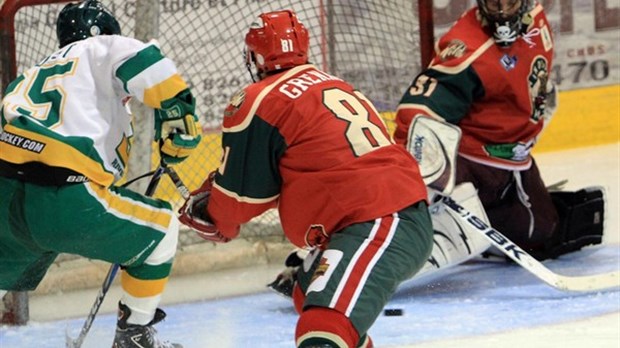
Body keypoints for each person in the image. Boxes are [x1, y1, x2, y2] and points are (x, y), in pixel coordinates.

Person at [178, 10, 433, 348]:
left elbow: (240, 201)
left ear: (254, 56)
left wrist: (212, 215)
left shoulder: (258, 99)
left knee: (324, 328)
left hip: (377, 222)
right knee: (307, 295)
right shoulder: (332, 82)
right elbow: (284, 173)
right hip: (384, 215)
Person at [0, 1, 201, 347]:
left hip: (5, 197)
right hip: (63, 199)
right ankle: (133, 336)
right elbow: (148, 64)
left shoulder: (31, 74)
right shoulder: (101, 46)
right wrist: (179, 117)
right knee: (163, 230)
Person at [394, 0, 604, 261]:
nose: (502, 12)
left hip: (512, 161)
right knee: (532, 235)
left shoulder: (536, 18)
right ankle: (419, 231)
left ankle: (488, 217)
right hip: (473, 163)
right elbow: (416, 113)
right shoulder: (467, 50)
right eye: (494, 3)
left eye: (510, 2)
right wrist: (422, 183)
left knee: (544, 233)